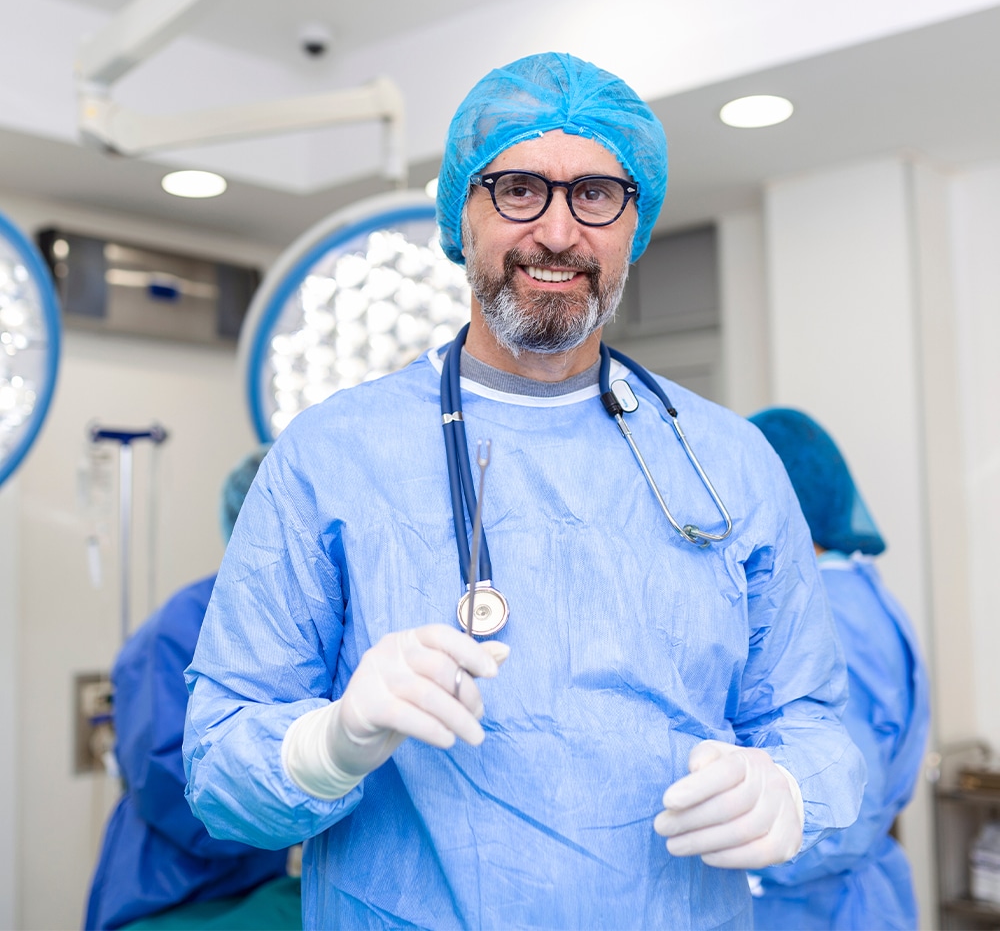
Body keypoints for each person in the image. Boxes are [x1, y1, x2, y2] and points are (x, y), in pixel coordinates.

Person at [184, 52, 865, 930]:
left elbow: (816, 724)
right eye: (517, 189)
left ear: (635, 223)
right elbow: (217, 768)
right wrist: (330, 742)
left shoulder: (727, 462)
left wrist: (794, 791)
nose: (557, 232)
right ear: (461, 215)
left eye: (596, 195)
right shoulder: (330, 456)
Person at [85, 447, 302, 931]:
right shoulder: (177, 629)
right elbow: (169, 784)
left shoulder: (292, 622)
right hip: (170, 891)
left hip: (255, 882)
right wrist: (301, 804)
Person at [746, 408, 931, 930]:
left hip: (821, 903)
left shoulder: (825, 609)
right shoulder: (856, 590)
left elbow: (845, 804)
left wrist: (744, 865)